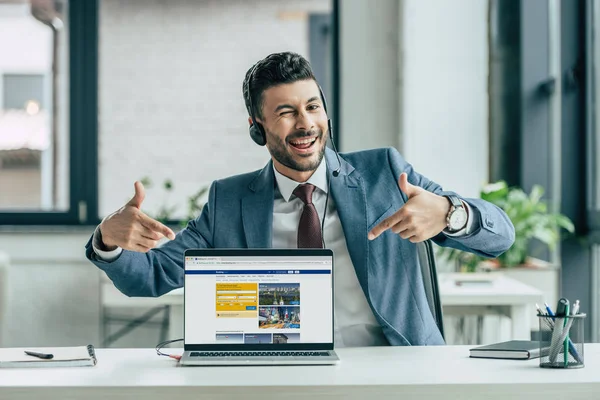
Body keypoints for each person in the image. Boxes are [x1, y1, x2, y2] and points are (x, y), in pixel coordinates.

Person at [86, 52, 515, 346]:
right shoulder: (229, 200)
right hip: (280, 372)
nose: (305, 123)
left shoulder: (384, 172)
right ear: (258, 128)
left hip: (393, 366)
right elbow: (152, 275)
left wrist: (449, 213)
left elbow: (501, 235)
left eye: (312, 107)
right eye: (286, 112)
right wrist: (108, 239)